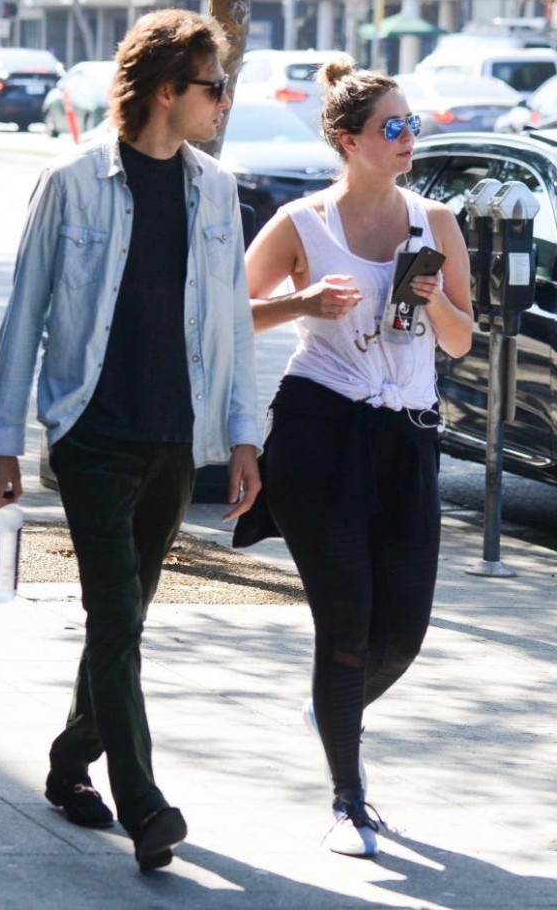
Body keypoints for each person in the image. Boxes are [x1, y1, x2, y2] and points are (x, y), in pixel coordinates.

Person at [0, 8, 261, 873]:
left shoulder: (216, 190)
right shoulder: (72, 181)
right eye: (213, 86)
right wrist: (1, 438)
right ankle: (144, 803)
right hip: (92, 432)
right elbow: (25, 313)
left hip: (176, 435)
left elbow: (234, 322)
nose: (223, 100)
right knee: (116, 614)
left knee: (122, 619)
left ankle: (70, 762)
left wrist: (244, 437)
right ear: (167, 89)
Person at [234, 57, 472, 858]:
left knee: (401, 632)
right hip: (320, 431)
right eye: (392, 127)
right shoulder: (303, 222)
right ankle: (348, 799)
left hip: (407, 437)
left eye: (412, 124)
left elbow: (463, 340)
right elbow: (231, 308)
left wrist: (433, 302)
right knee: (346, 620)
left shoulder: (436, 223)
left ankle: (333, 708)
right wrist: (303, 301)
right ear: (348, 140)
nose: (408, 137)